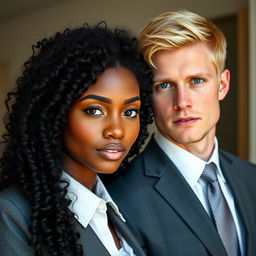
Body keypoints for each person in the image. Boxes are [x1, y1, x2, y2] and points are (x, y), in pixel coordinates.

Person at [107, 10, 256, 256]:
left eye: (196, 81)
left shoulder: (251, 177)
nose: (182, 101)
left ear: (222, 85)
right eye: (164, 85)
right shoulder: (119, 198)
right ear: (147, 96)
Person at [0, 24, 153, 256]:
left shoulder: (121, 206)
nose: (118, 130)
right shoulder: (12, 213)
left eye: (130, 112)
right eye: (94, 110)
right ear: (54, 112)